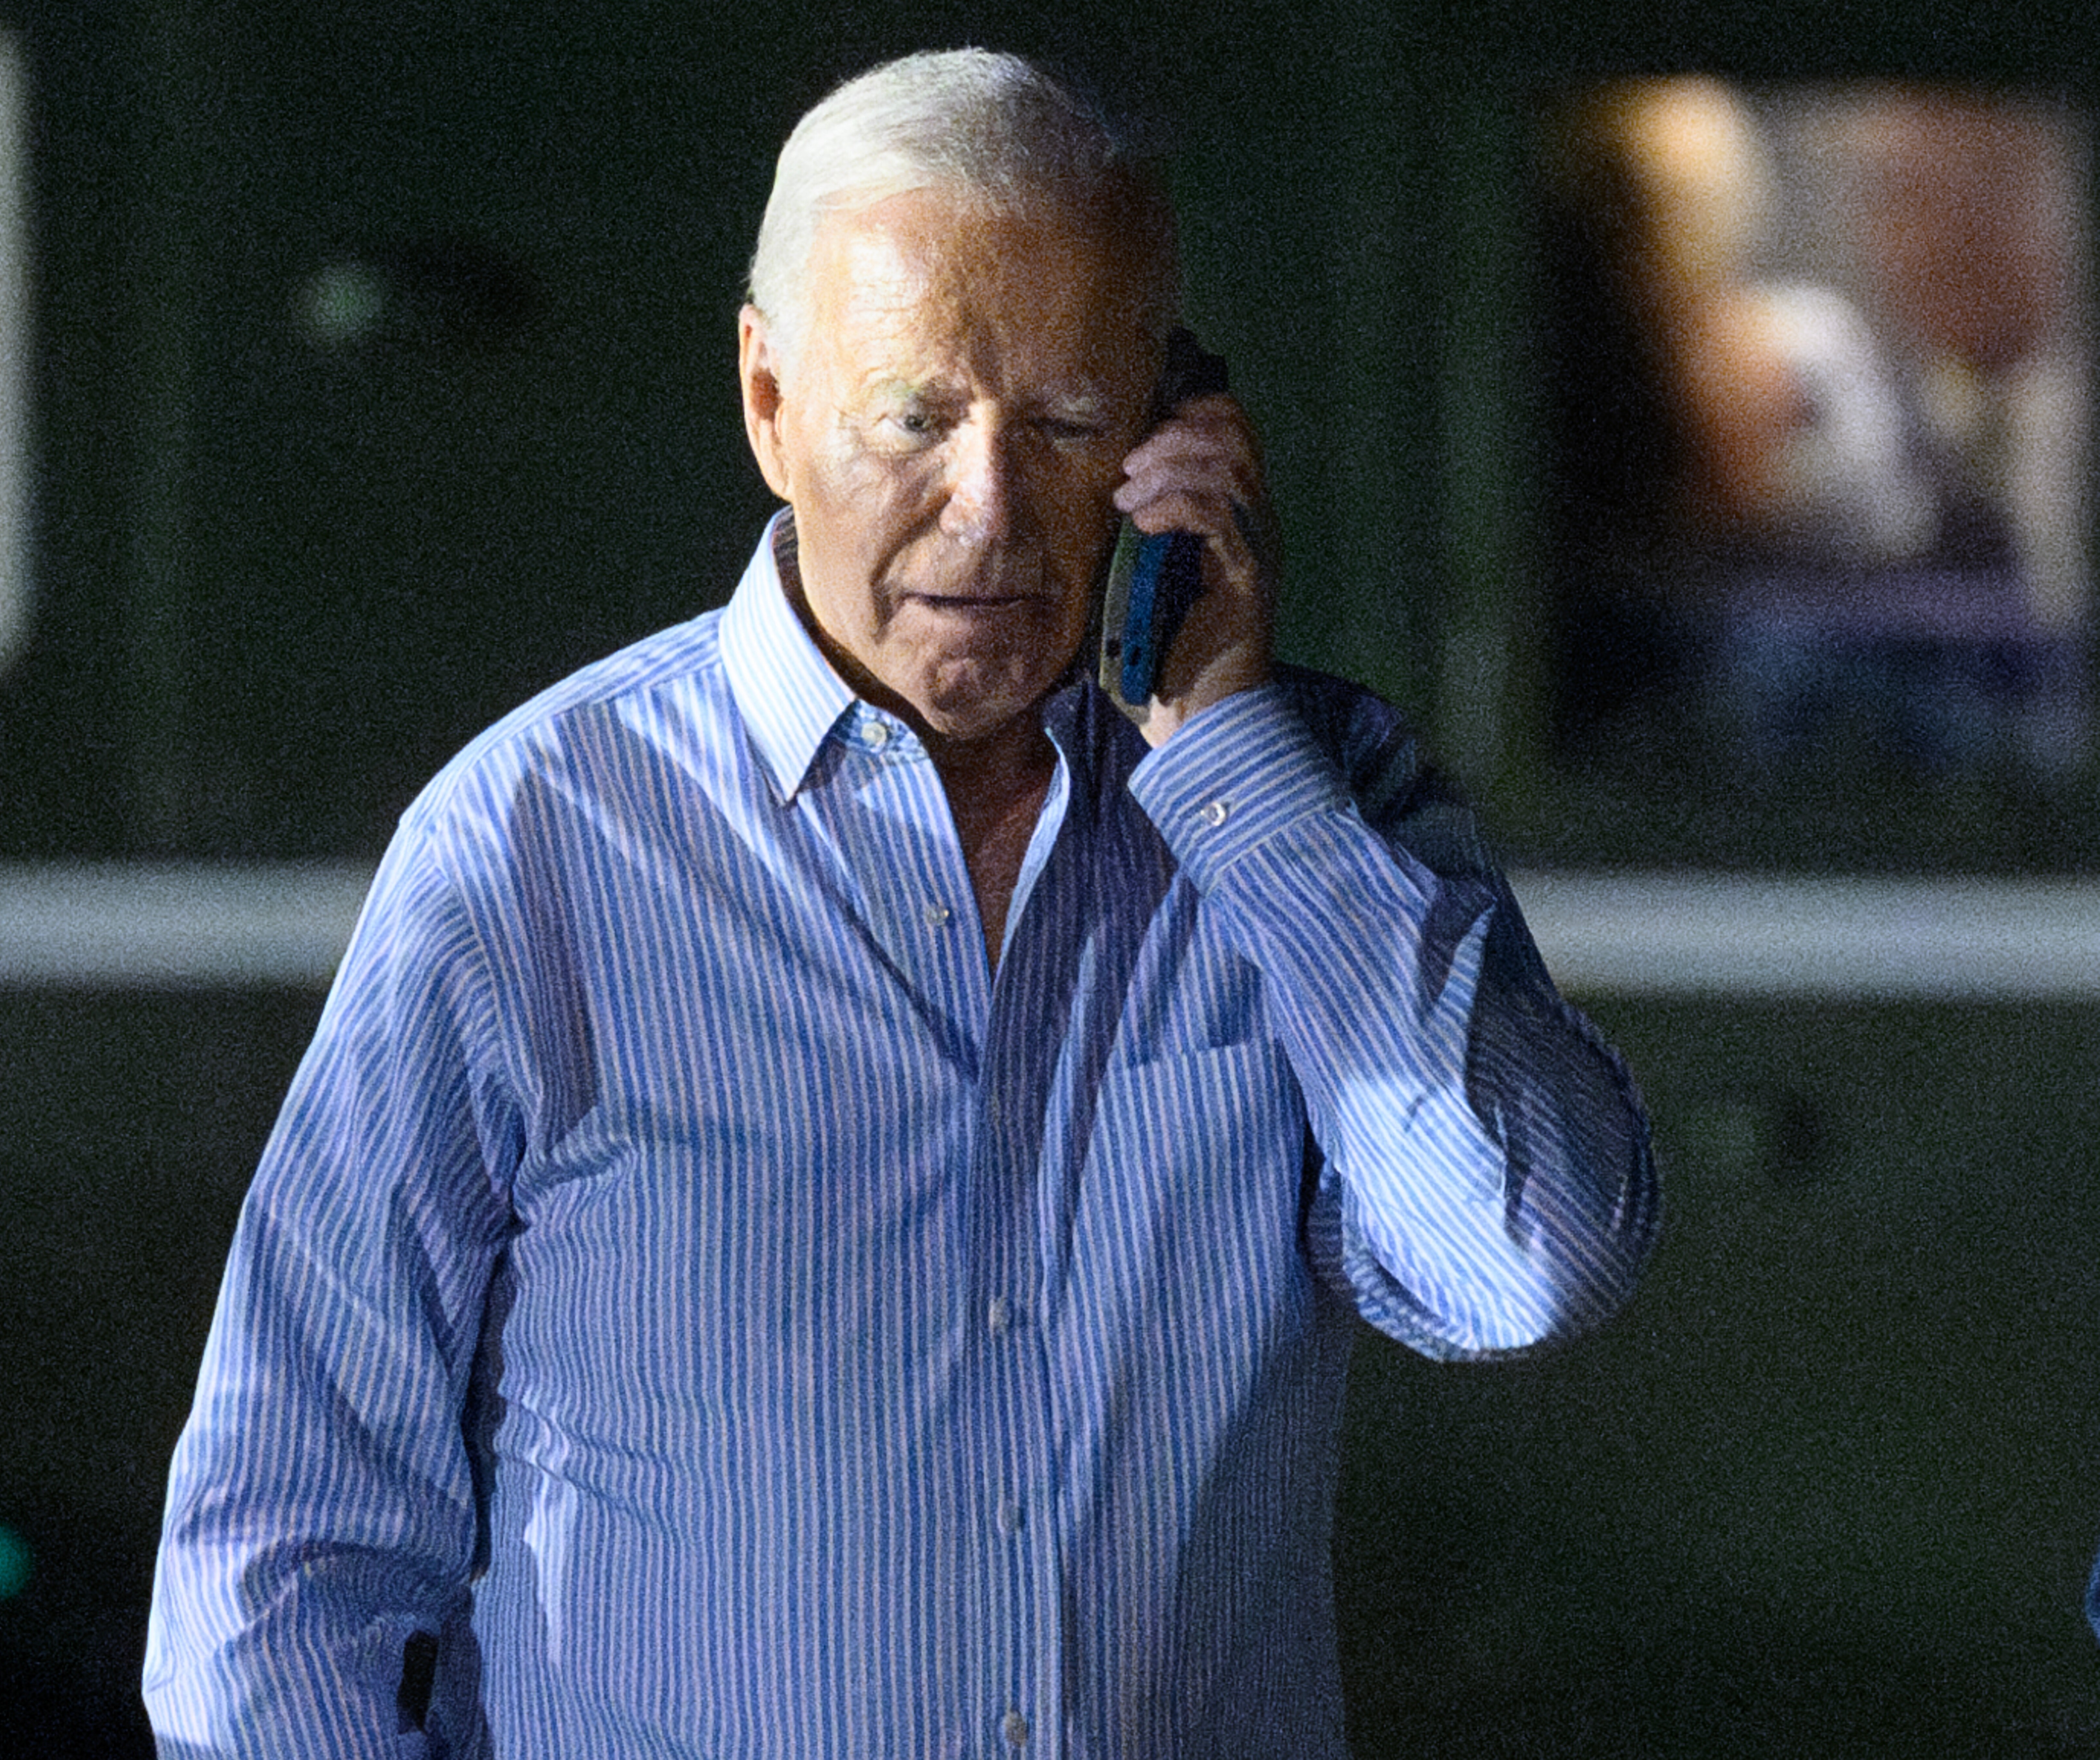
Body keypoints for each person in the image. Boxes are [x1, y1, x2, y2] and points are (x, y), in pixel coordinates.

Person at [143, 47, 1659, 1759]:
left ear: (1179, 430)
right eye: (916, 419)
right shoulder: (532, 850)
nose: (992, 511)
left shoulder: (1309, 810)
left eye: (1073, 423)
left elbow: (1527, 1259)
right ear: (771, 406)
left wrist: (1228, 755)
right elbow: (282, 1554)